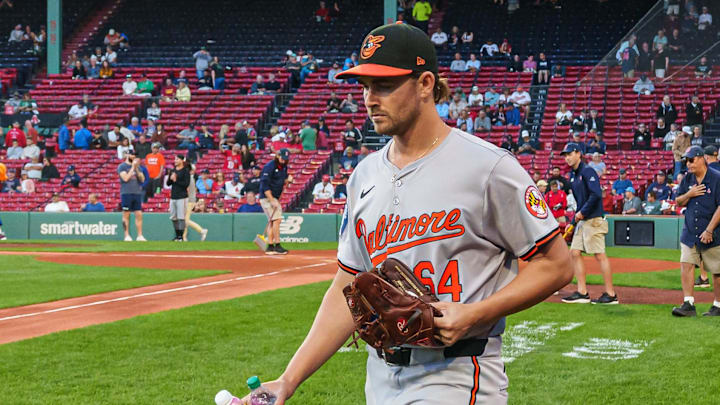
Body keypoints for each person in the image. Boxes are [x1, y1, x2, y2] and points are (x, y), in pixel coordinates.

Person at [241, 22, 573, 405]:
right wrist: (288, 380)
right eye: (365, 86)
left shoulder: (487, 167)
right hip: (380, 377)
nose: (369, 98)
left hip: (455, 374)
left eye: (384, 85)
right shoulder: (364, 175)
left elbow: (555, 264)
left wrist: (475, 313)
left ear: (426, 84)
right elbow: (346, 286)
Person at [560, 142, 616, 304]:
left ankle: (611, 294)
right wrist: (574, 219)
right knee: (574, 252)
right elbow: (581, 201)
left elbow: (596, 195)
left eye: (570, 154)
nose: (567, 158)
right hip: (583, 220)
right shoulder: (574, 175)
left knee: (599, 255)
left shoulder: (587, 171)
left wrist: (581, 213)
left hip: (594, 219)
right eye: (565, 156)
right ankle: (582, 292)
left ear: (579, 154)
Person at [672, 146, 720, 317]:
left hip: (712, 232)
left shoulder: (716, 178)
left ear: (702, 159)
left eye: (691, 160)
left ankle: (718, 305)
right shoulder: (687, 179)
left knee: (717, 270)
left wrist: (709, 230)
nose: (689, 164)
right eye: (686, 161)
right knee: (686, 264)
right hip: (690, 231)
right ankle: (688, 304)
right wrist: (689, 194)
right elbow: (678, 201)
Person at [258, 148, 293, 255]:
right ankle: (277, 245)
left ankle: (270, 246)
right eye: (282, 158)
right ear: (278, 156)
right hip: (267, 197)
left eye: (286, 159)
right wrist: (272, 199)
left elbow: (283, 180)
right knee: (277, 220)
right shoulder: (269, 167)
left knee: (273, 221)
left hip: (274, 197)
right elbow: (264, 185)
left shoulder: (284, 167)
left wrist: (288, 180)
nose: (284, 160)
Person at [118, 150, 147, 241]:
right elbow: (125, 178)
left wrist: (137, 169)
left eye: (134, 155)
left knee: (139, 214)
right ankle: (126, 235)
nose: (133, 156)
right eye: (131, 154)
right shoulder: (122, 166)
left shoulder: (138, 167)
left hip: (136, 192)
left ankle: (139, 235)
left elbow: (142, 179)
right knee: (126, 214)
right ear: (127, 155)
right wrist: (132, 168)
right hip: (126, 193)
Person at [165, 155, 191, 241]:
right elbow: (168, 183)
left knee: (181, 217)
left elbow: (186, 184)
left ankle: (181, 236)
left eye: (177, 159)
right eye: (175, 159)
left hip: (182, 196)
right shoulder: (173, 170)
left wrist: (176, 180)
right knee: (173, 217)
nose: (175, 160)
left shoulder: (185, 171)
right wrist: (171, 179)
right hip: (173, 196)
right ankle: (177, 235)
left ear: (181, 160)